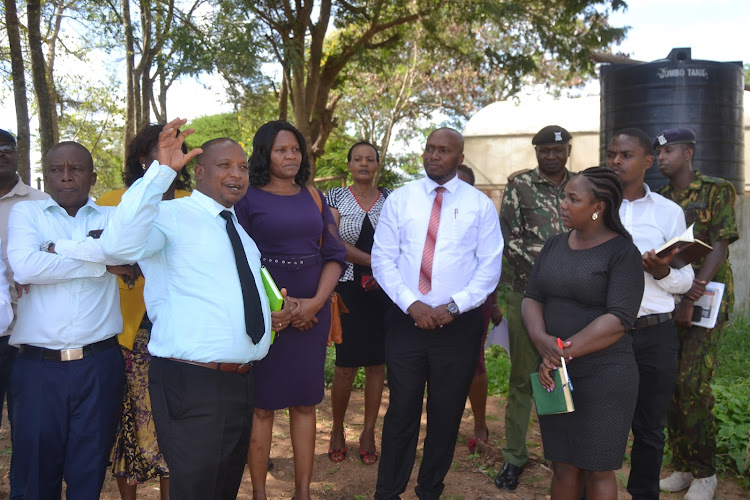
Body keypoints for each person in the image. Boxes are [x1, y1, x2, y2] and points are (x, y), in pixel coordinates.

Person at [52, 119, 291, 499]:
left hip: (241, 383)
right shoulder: (168, 218)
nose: (237, 174)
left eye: (243, 167)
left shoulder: (239, 231)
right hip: (191, 383)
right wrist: (161, 173)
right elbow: (119, 245)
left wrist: (271, 311)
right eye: (225, 165)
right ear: (197, 172)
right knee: (194, 490)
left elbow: (233, 291)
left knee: (222, 488)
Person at [371, 128, 503, 500]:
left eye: (444, 150)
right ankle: (388, 491)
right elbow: (383, 258)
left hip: (456, 325)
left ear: (459, 157)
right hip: (406, 321)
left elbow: (489, 267)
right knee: (401, 413)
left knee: (445, 417)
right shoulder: (401, 199)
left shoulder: (479, 205)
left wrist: (454, 306)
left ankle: (430, 490)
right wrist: (412, 304)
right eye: (429, 148)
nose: (434, 155)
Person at [7, 141, 127, 498]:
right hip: (38, 368)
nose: (65, 176)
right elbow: (26, 266)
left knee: (88, 472)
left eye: (75, 169)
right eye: (57, 170)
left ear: (92, 177)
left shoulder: (112, 219)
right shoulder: (27, 215)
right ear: (46, 178)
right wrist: (101, 263)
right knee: (35, 473)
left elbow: (129, 257)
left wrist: (53, 251)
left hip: (99, 365)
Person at [234, 120, 346, 500]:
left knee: (305, 402)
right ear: (265, 153)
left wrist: (313, 304)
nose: (291, 156)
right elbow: (240, 262)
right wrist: (275, 310)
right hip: (270, 318)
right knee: (262, 407)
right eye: (282, 150)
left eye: (295, 149)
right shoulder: (246, 199)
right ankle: (260, 494)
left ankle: (302, 492)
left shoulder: (315, 198)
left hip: (312, 316)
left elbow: (334, 255)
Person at [523, 167, 644, 499]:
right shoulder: (553, 245)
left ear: (599, 206)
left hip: (605, 375)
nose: (563, 204)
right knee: (562, 464)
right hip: (555, 373)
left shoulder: (623, 253)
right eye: (564, 196)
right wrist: (542, 343)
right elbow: (532, 297)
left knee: (597, 468)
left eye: (572, 199)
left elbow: (618, 319)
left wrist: (558, 351)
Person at [97, 123, 192, 499]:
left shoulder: (193, 202)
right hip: (128, 333)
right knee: (128, 424)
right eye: (159, 149)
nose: (170, 155)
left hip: (181, 334)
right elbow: (97, 256)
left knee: (175, 422)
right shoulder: (112, 201)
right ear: (141, 159)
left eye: (177, 147)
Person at [605, 128, 694, 500]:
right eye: (612, 154)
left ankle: (643, 494)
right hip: (607, 333)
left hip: (655, 334)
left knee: (650, 429)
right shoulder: (597, 207)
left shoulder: (669, 212)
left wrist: (661, 271)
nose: (616, 162)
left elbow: (686, 278)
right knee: (603, 425)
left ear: (647, 162)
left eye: (625, 155)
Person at [655, 128, 739, 500]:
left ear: (688, 153)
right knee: (671, 386)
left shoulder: (717, 188)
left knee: (694, 386)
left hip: (707, 299)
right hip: (670, 298)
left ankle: (706, 473)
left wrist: (693, 295)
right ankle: (684, 467)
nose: (661, 158)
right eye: (658, 153)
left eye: (669, 151)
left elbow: (719, 247)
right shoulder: (660, 198)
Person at [496, 125, 573, 490]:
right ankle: (514, 457)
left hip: (575, 299)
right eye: (544, 150)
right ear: (536, 152)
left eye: (557, 150)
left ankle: (562, 456)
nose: (551, 155)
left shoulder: (582, 187)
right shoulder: (520, 185)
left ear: (568, 151)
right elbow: (507, 238)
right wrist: (552, 266)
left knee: (562, 376)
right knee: (524, 378)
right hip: (528, 296)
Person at [326, 141, 392, 465]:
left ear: (377, 165)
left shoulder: (391, 199)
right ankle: (337, 429)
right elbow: (333, 242)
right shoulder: (335, 197)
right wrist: (374, 262)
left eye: (370, 159)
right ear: (349, 164)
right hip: (348, 286)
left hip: (384, 290)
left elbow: (399, 241)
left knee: (377, 364)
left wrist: (384, 271)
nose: (364, 164)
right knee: (345, 366)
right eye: (357, 159)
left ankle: (368, 430)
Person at [0, 129, 48, 499]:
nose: (1, 153)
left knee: (28, 430)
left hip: (26, 338)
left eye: (7, 147)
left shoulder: (40, 202)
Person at [455, 164, 502, 454]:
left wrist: (494, 303)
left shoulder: (483, 215)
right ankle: (442, 423)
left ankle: (480, 423)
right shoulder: (429, 214)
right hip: (435, 302)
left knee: (474, 361)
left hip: (476, 301)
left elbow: (491, 262)